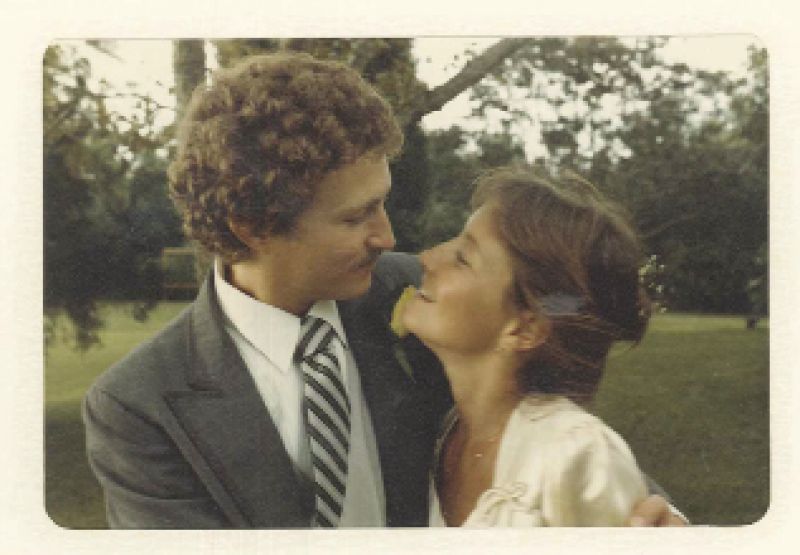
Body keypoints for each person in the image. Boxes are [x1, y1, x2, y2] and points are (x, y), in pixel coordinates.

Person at [82, 51, 680, 528]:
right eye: (354, 217)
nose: (388, 237)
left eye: (383, 203)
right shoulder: (140, 406)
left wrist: (655, 517)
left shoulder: (418, 299)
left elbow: (549, 425)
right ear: (255, 228)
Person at [400, 167, 672, 526]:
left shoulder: (574, 455)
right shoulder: (443, 433)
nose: (427, 257)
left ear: (524, 328)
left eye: (463, 258)